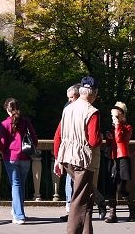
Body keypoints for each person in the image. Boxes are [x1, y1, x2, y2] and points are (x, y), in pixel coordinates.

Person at [54, 76, 102, 234]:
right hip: (83, 159)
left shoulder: (68, 109)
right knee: (80, 200)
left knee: (86, 197)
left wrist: (57, 158)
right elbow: (93, 141)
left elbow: (59, 134)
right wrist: (102, 139)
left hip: (67, 156)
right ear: (94, 93)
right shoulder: (92, 111)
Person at [0, 98, 38, 225]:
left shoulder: (5, 124)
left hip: (11, 157)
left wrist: (3, 151)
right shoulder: (26, 121)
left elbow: (3, 144)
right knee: (20, 185)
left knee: (16, 185)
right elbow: (34, 140)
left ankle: (19, 215)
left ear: (7, 109)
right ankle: (17, 210)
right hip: (25, 157)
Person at [104, 101, 135, 222]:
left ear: (122, 115)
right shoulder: (115, 126)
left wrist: (117, 125)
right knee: (111, 186)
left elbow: (119, 139)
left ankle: (133, 209)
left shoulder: (127, 127)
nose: (113, 118)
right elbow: (111, 142)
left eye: (116, 116)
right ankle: (112, 214)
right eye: (112, 116)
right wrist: (109, 137)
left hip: (123, 158)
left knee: (121, 188)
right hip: (113, 158)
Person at [59, 84, 81, 222]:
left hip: (79, 153)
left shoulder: (86, 110)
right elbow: (60, 132)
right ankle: (70, 210)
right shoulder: (67, 108)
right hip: (69, 152)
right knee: (70, 182)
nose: (70, 100)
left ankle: (99, 203)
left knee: (80, 182)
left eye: (72, 97)